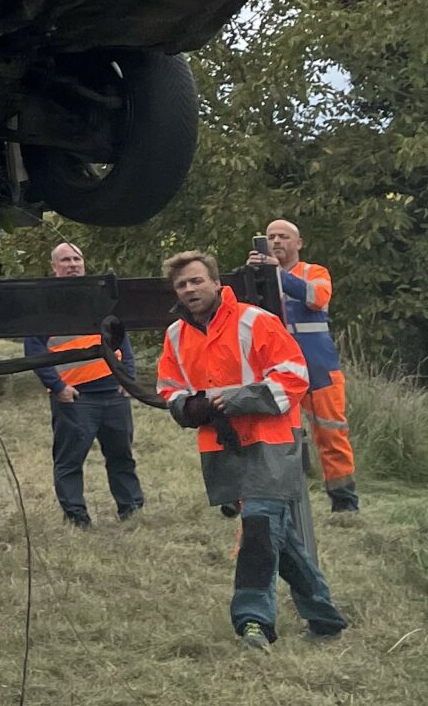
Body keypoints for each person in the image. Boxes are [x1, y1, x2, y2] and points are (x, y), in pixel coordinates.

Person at [158, 250, 346, 649]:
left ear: (214, 281)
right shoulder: (175, 334)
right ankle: (324, 616)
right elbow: (168, 387)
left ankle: (252, 621)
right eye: (181, 285)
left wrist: (240, 399)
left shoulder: (255, 320)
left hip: (271, 442)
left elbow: (295, 376)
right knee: (279, 535)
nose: (189, 289)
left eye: (196, 281)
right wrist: (188, 407)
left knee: (259, 525)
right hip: (222, 446)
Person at [23, 239, 143, 528]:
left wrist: (128, 379)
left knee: (121, 457)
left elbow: (121, 339)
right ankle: (77, 517)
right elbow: (33, 348)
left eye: (77, 260)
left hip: (113, 394)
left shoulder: (100, 300)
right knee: (70, 461)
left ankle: (132, 511)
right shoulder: (46, 305)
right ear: (54, 268)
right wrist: (58, 386)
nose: (73, 265)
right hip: (74, 398)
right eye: (65, 261)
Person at [251, 218, 358, 514]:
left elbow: (316, 298)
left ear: (298, 243)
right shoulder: (259, 274)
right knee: (275, 433)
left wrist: (275, 273)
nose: (276, 241)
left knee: (331, 431)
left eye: (283, 236)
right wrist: (254, 274)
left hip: (319, 365)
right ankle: (274, 498)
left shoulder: (315, 272)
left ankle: (344, 503)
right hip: (277, 365)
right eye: (271, 236)